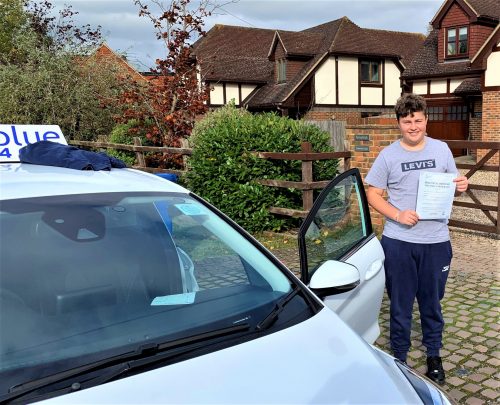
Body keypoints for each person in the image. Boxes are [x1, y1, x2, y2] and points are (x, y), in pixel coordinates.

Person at [365, 93, 468, 385]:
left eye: (418, 120)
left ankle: (433, 354)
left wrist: (461, 184)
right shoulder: (388, 155)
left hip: (436, 241)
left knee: (432, 303)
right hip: (399, 242)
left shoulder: (442, 149)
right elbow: (373, 193)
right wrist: (397, 215)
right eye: (407, 121)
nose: (413, 126)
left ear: (426, 120)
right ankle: (400, 357)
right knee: (400, 303)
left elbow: (453, 183)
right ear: (399, 123)